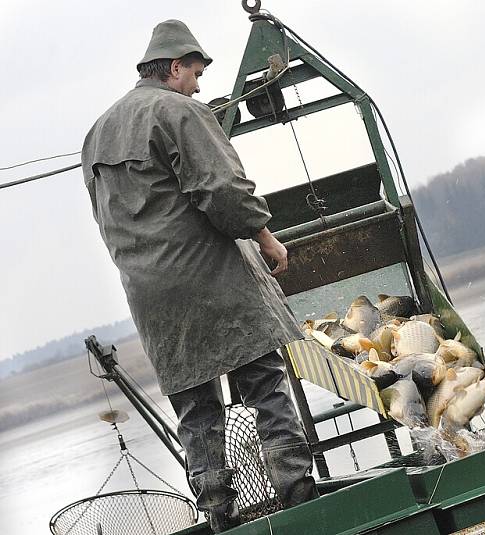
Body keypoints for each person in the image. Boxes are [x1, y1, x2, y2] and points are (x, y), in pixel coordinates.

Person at [81, 19, 318, 532]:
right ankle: (299, 493)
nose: (198, 85)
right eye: (194, 72)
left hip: (150, 294)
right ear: (171, 68)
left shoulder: (95, 135)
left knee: (195, 405)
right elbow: (224, 191)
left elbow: (104, 220)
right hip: (212, 277)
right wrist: (266, 236)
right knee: (263, 379)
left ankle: (217, 512)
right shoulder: (179, 111)